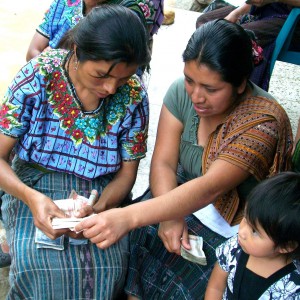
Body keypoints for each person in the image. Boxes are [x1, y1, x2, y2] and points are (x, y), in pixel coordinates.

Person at [75, 19, 293, 299]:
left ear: (240, 84)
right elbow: (164, 163)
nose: (196, 96)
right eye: (191, 80)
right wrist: (170, 216)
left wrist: (129, 217)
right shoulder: (181, 92)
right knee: (134, 242)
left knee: (192, 271)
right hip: (177, 194)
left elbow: (209, 188)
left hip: (234, 219)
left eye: (211, 89)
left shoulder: (262, 123)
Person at [0, 4, 151, 299]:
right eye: (101, 75)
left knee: (108, 269)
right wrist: (32, 199)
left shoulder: (133, 95)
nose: (110, 88)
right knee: (36, 265)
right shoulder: (37, 76)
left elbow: (126, 177)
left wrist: (98, 208)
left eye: (122, 78)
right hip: (32, 182)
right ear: (78, 50)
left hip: (101, 192)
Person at [205, 172, 300, 299]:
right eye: (245, 218)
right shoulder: (235, 247)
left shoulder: (292, 287)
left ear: (286, 246)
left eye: (254, 231)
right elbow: (215, 287)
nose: (242, 232)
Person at [196, 0, 300, 91]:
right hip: (262, 10)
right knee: (205, 22)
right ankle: (207, 79)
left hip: (291, 20)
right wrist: (236, 13)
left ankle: (228, 89)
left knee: (236, 36)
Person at [26, 0, 164, 61]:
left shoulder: (128, 13)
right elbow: (33, 52)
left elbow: (106, 70)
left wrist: (50, 58)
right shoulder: (63, 3)